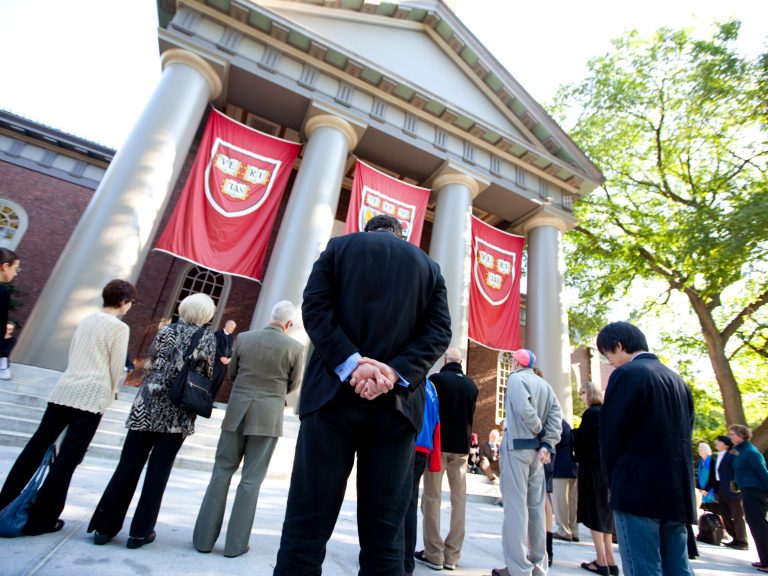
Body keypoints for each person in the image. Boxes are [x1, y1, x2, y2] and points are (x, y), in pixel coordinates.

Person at [272, 214, 451, 576]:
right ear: (402, 235)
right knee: (385, 534)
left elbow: (315, 309)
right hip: (397, 409)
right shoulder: (429, 268)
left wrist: (352, 364)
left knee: (306, 523)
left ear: (369, 231)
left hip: (330, 401)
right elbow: (439, 332)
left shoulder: (339, 248)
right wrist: (391, 371)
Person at [0, 279, 136, 534]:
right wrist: (111, 393)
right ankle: (43, 518)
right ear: (122, 301)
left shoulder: (87, 319)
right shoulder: (118, 328)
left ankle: (4, 502)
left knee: (35, 447)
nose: (129, 307)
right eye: (129, 302)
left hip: (65, 388)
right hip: (91, 394)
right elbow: (116, 366)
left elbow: (74, 352)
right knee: (68, 459)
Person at [87, 293, 216, 549]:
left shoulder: (165, 331)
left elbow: (152, 363)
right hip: (177, 413)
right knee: (158, 473)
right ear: (206, 315)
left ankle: (105, 527)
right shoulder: (206, 338)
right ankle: (140, 533)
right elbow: (206, 373)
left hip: (146, 405)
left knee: (127, 467)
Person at [193, 301, 303, 558]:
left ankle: (203, 540)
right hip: (267, 416)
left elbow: (231, 373)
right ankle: (235, 545)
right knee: (251, 481)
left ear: (271, 317)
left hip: (237, 411)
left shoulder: (244, 338)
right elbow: (294, 383)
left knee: (221, 472)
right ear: (288, 324)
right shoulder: (295, 348)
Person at [597, 321, 695, 576]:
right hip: (676, 490)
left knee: (643, 567)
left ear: (618, 346)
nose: (610, 363)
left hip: (636, 488)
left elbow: (611, 434)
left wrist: (611, 479)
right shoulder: (678, 381)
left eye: (608, 355)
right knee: (678, 566)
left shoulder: (627, 374)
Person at [493, 348, 562, 576]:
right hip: (537, 455)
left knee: (515, 508)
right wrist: (546, 444)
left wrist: (540, 433)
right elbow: (556, 418)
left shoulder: (516, 379)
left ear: (517, 362)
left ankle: (518, 568)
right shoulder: (546, 385)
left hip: (518, 447)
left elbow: (524, 409)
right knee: (536, 509)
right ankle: (538, 566)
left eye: (512, 359)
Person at [418, 347, 478, 571]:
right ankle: (452, 555)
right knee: (458, 501)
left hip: (439, 446)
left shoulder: (436, 380)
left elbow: (430, 410)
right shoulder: (472, 385)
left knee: (431, 498)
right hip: (461, 450)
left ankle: (434, 553)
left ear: (445, 360)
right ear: (460, 362)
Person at [573, 381, 617, 576]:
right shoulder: (608, 413)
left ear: (589, 393)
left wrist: (571, 435)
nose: (580, 397)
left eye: (581, 393)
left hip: (592, 469)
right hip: (607, 471)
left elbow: (584, 442)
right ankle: (610, 560)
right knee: (605, 515)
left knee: (595, 514)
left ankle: (600, 559)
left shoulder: (591, 414)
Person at [404, 378, 441, 576]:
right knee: (409, 503)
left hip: (408, 442)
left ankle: (401, 559)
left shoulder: (407, 377)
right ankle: (407, 560)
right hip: (424, 448)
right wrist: (434, 459)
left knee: (397, 502)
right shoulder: (431, 389)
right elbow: (437, 423)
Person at [728, 424, 768, 572]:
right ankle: (764, 559)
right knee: (755, 525)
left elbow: (763, 472)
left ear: (741, 435)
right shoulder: (743, 451)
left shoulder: (750, 452)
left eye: (732, 434)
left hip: (755, 492)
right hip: (747, 490)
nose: (730, 437)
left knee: (759, 525)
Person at [713, 434, 748, 550]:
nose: (716, 443)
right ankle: (735, 538)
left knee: (737, 516)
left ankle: (742, 541)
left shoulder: (731, 457)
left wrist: (736, 487)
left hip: (732, 489)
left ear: (725, 444)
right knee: (725, 515)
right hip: (721, 489)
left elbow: (738, 471)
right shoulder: (718, 457)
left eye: (718, 441)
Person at [552, 419, 579, 543]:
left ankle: (564, 530)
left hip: (561, 466)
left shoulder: (556, 423)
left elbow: (553, 442)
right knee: (572, 501)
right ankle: (573, 530)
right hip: (573, 466)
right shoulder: (566, 425)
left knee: (561, 500)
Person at [0, 248, 21, 380]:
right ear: (5, 266)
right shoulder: (2, 292)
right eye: (15, 269)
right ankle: (2, 365)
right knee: (8, 334)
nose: (16, 274)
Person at [211, 319, 236, 399]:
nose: (233, 329)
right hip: (215, 362)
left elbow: (229, 350)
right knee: (211, 382)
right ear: (226, 325)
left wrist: (229, 359)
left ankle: (210, 402)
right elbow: (215, 347)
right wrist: (221, 357)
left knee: (218, 383)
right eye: (232, 327)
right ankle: (203, 401)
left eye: (234, 328)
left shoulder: (231, 338)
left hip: (223, 365)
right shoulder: (218, 334)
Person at [696, 442, 718, 515]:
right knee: (706, 511)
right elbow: (698, 476)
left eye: (700, 449)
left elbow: (713, 477)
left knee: (712, 511)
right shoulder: (700, 462)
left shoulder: (712, 461)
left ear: (705, 450)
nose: (699, 450)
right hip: (703, 491)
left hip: (710, 490)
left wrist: (706, 489)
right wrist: (700, 488)